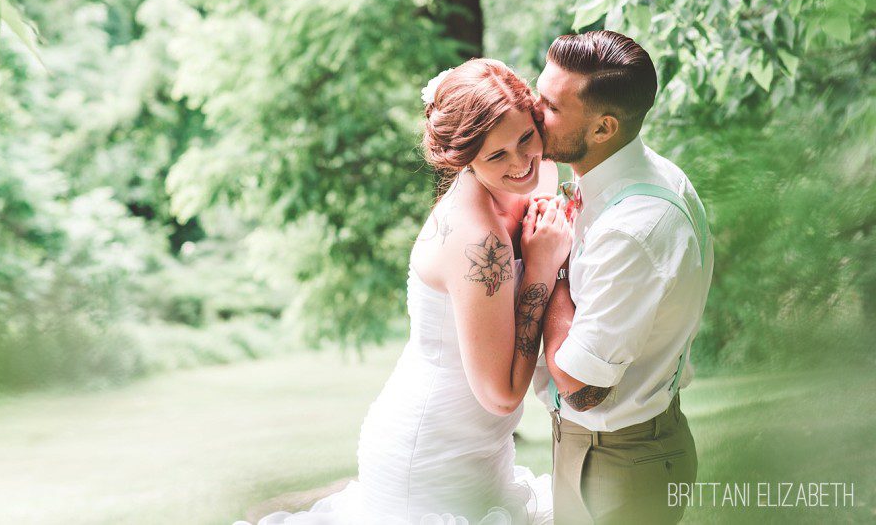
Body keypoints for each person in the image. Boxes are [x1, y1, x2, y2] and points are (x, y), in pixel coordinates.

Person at [236, 58, 572, 524]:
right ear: (464, 160)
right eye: (497, 156)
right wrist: (539, 267)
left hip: (484, 453)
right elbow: (501, 394)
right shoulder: (477, 240)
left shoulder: (538, 178)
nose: (521, 162)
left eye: (525, 138)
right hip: (432, 460)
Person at [530, 31, 714, 524]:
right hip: (604, 448)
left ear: (603, 128)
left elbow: (578, 384)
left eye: (549, 106)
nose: (532, 111)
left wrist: (555, 270)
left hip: (620, 461)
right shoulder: (642, 177)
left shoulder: (635, 230)